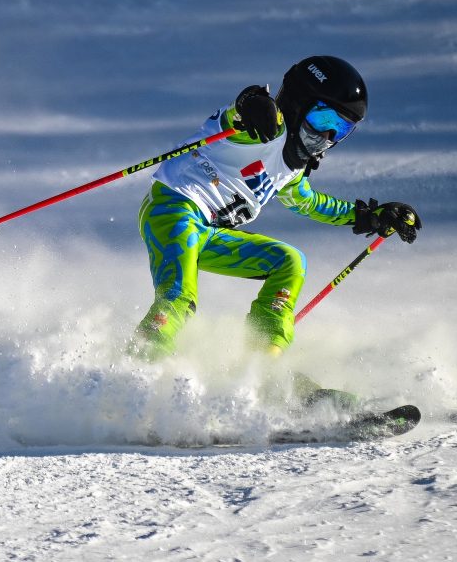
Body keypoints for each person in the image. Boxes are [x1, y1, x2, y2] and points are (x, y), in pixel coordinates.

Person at [132, 56, 421, 386]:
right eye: (323, 118)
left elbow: (310, 203)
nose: (327, 134)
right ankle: (136, 373)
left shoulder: (292, 170)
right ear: (299, 103)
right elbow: (237, 116)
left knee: (289, 262)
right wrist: (251, 103)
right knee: (178, 297)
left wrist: (368, 217)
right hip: (175, 211)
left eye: (340, 128)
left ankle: (261, 370)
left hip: (209, 233)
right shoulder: (264, 128)